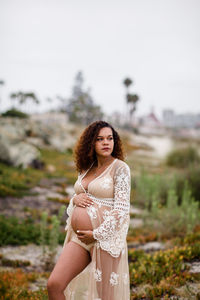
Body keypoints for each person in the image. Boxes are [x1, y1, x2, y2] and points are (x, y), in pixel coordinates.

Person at [47, 120, 131, 300]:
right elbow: (79, 198)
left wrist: (97, 234)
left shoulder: (120, 168)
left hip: (105, 239)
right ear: (91, 143)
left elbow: (122, 210)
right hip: (79, 238)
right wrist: (75, 199)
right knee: (54, 285)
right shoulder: (86, 168)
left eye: (110, 138)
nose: (106, 142)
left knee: (105, 297)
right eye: (100, 139)